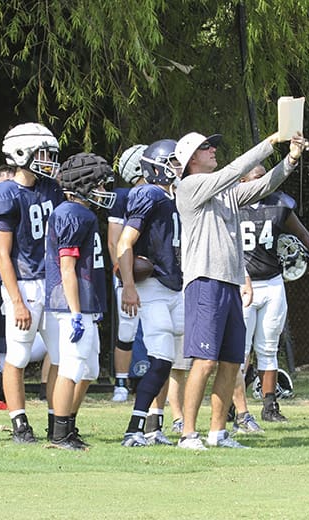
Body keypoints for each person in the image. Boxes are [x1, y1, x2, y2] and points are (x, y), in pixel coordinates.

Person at [174, 130, 308, 450]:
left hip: (231, 283)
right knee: (204, 362)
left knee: (232, 361)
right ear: (192, 158)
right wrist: (271, 142)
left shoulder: (224, 192)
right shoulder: (190, 186)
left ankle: (218, 433)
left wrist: (291, 158)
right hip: (204, 282)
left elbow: (264, 185)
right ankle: (188, 434)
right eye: (207, 147)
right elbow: (234, 171)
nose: (213, 150)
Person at [230, 164, 309, 431]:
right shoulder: (231, 204)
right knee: (239, 352)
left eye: (265, 176)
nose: (263, 181)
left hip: (273, 283)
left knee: (268, 348)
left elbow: (303, 234)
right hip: (242, 286)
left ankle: (270, 404)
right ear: (242, 180)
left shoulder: (278, 203)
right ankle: (235, 406)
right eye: (257, 176)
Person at [0, 122, 64, 443]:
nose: (49, 160)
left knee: (60, 356)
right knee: (16, 356)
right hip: (25, 283)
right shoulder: (5, 194)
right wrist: (16, 300)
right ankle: (19, 422)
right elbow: (2, 254)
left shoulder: (50, 189)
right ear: (21, 153)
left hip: (53, 281)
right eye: (43, 153)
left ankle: (57, 421)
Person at [118, 139, 189, 447]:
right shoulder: (147, 193)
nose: (177, 167)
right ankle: (134, 429)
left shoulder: (174, 195)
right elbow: (125, 243)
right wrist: (129, 287)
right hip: (153, 285)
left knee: (175, 360)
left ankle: (154, 427)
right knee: (160, 359)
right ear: (155, 166)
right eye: (172, 161)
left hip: (175, 283)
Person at [44, 152, 115, 450]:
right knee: (71, 369)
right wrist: (75, 311)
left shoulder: (82, 213)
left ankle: (68, 426)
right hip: (72, 303)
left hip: (85, 302)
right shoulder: (71, 213)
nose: (104, 191)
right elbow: (67, 266)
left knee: (88, 372)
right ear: (82, 185)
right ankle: (60, 434)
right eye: (98, 184)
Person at [108, 144, 146, 402]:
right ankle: (121, 382)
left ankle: (160, 381)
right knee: (127, 329)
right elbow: (114, 241)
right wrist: (124, 275)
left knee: (161, 328)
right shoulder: (123, 197)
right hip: (128, 269)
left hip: (159, 270)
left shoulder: (164, 194)